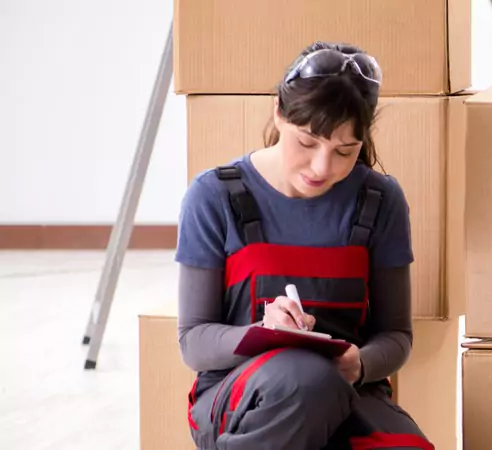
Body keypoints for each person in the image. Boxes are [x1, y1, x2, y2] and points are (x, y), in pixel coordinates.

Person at [175, 41, 433, 450]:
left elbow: (396, 336)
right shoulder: (214, 195)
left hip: (348, 392)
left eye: (345, 151)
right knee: (305, 380)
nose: (322, 168)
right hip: (241, 398)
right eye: (308, 143)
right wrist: (264, 333)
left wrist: (360, 363)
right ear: (279, 112)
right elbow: (194, 341)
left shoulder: (380, 200)